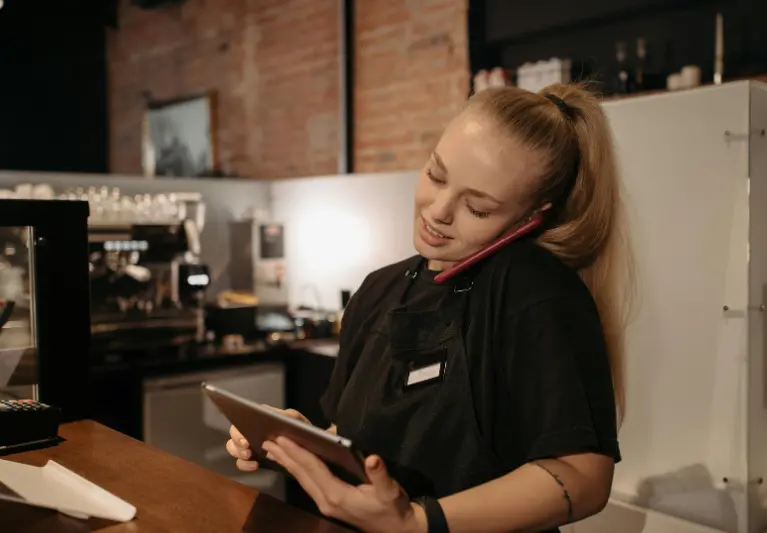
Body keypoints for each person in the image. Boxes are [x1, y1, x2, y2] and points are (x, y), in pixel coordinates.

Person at [226, 82, 634, 533]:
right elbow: (353, 439)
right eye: (436, 175)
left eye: (477, 208)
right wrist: (297, 442)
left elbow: (583, 477)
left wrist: (419, 523)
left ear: (533, 215)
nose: (438, 211)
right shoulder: (380, 288)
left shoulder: (533, 289)